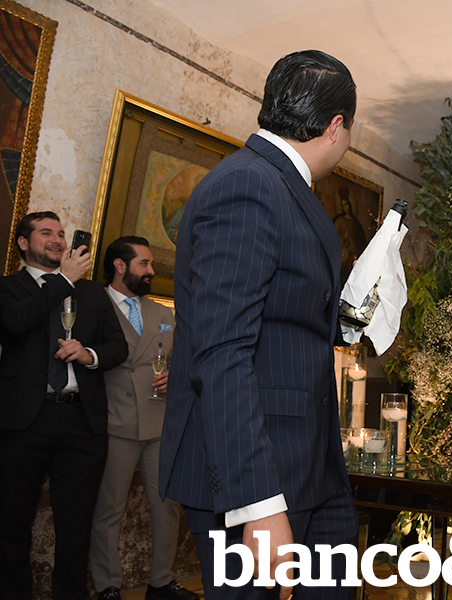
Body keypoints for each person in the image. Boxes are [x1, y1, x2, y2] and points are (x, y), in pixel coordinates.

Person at [159, 50, 358, 600]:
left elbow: (284, 321)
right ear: (335, 126)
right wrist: (257, 503)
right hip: (256, 466)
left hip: (308, 458)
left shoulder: (282, 185)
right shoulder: (248, 184)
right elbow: (222, 349)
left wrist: (352, 318)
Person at [0, 211, 128, 600]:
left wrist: (89, 355)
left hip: (81, 421)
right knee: (11, 524)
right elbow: (16, 322)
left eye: (60, 233)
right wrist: (63, 281)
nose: (57, 239)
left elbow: (117, 346)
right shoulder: (9, 288)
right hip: (24, 422)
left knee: (76, 527)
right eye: (46, 233)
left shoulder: (92, 293)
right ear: (24, 243)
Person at [90, 236, 197, 600]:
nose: (151, 270)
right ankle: (107, 586)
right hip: (114, 422)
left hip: (158, 422)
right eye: (144, 264)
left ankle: (162, 582)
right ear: (120, 266)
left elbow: (180, 357)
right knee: (109, 510)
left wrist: (175, 375)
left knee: (167, 507)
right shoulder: (96, 306)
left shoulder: (162, 313)